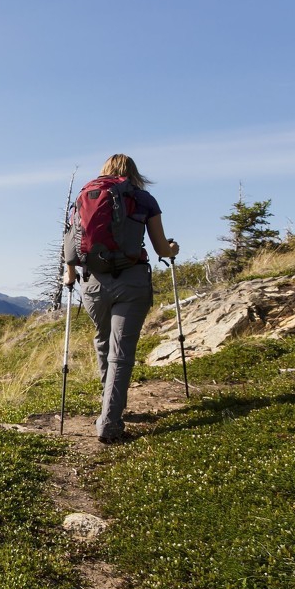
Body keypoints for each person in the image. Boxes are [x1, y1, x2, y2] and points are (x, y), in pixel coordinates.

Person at [63, 154, 179, 443]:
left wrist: (69, 274)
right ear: (133, 173)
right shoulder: (142, 199)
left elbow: (69, 241)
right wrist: (173, 249)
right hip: (131, 280)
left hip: (91, 283)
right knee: (121, 351)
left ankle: (109, 406)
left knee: (103, 340)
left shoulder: (84, 197)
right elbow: (161, 248)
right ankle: (110, 421)